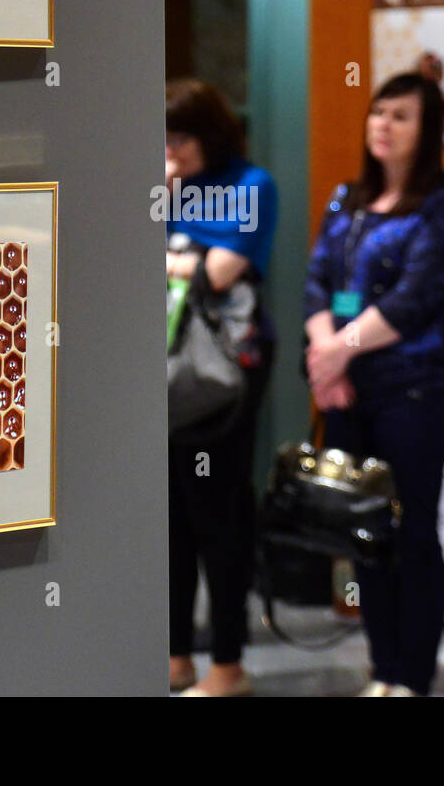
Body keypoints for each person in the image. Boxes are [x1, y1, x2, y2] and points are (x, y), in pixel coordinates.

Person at [304, 72, 444, 696]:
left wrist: (335, 355)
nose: (383, 125)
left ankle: (414, 678)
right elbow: (319, 282)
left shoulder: (441, 204)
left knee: (413, 534)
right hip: (347, 392)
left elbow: (415, 299)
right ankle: (383, 670)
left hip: (413, 393)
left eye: (400, 115)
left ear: (426, 131)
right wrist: (329, 360)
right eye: (378, 112)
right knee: (364, 534)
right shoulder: (347, 199)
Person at [165, 79, 278, 698]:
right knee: (171, 514)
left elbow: (218, 270)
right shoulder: (168, 184)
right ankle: (176, 652)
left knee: (219, 513)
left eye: (178, 136)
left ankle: (228, 664)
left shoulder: (249, 186)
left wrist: (177, 255)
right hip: (166, 365)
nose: (169, 148)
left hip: (224, 369)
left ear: (207, 133)